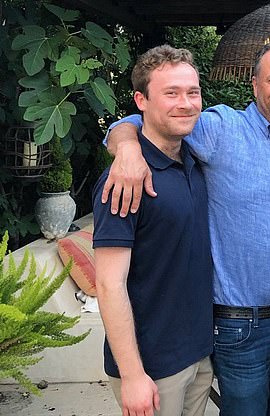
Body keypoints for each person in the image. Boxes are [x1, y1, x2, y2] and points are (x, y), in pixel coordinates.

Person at [102, 40, 270, 416]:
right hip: (240, 328)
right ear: (255, 85)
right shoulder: (220, 130)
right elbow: (150, 118)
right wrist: (127, 145)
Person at [92, 45, 214, 416]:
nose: (186, 103)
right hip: (152, 367)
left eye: (192, 92)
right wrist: (132, 376)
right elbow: (108, 284)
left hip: (198, 354)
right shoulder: (124, 180)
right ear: (141, 100)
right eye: (171, 93)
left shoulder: (195, 159)